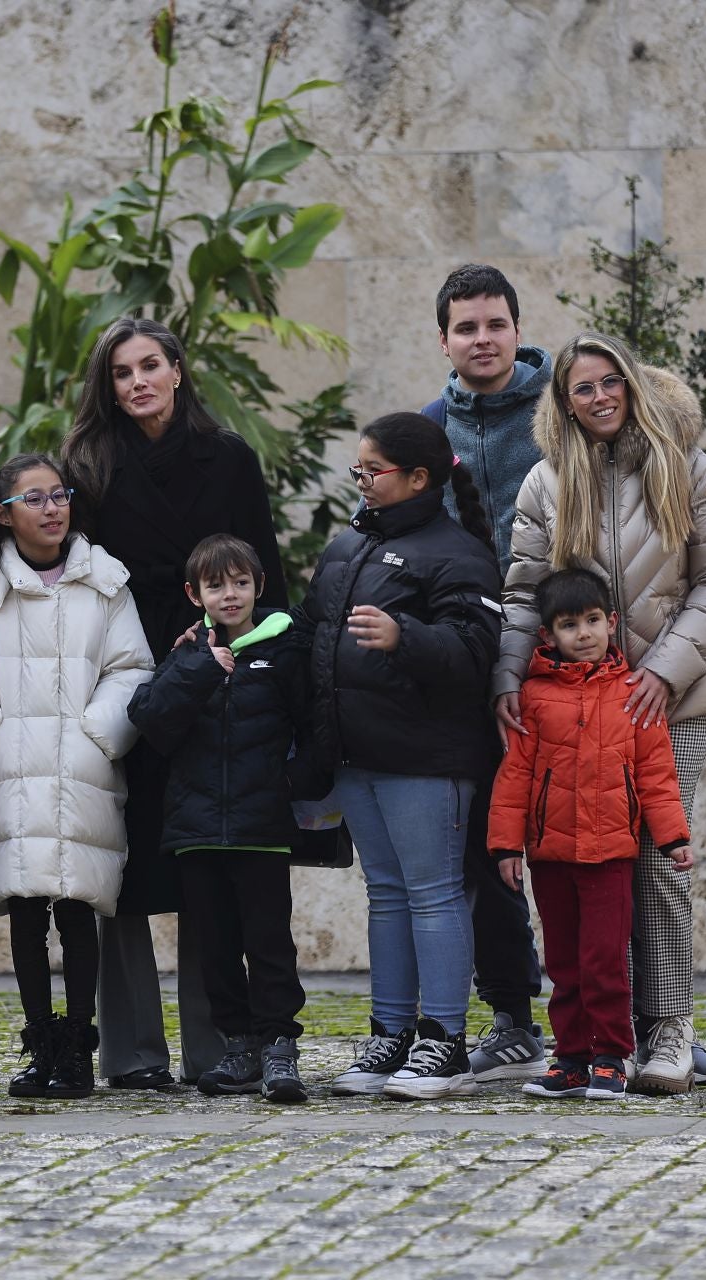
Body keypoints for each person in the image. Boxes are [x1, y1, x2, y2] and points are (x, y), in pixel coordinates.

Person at [496, 331, 706, 1095]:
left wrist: (665, 673)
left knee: (653, 864)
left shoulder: (687, 469)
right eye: (583, 388)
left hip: (668, 702)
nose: (599, 398)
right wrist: (509, 679)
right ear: (564, 401)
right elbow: (522, 591)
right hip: (572, 709)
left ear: (631, 385)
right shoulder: (545, 483)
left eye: (610, 382)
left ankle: (669, 1029)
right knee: (583, 870)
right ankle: (607, 1039)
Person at [62, 316, 285, 1090]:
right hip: (121, 673)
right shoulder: (86, 463)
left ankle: (217, 1045)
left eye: (149, 366)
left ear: (178, 370)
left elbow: (267, 577)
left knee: (207, 865)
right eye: (121, 373)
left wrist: (258, 670)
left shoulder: (227, 457)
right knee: (121, 860)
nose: (137, 383)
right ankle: (130, 1054)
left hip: (216, 678)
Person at [306, 412, 502, 1101]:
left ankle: (443, 1041)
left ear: (419, 478)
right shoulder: (345, 549)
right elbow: (313, 636)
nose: (360, 481)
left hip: (428, 760)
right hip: (357, 756)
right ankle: (390, 1036)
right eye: (356, 470)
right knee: (386, 896)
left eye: (372, 470)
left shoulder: (458, 554)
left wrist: (405, 637)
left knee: (434, 893)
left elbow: (477, 653)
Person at [0, 452, 153, 1099]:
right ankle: (39, 1042)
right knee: (24, 909)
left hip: (81, 768)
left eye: (59, 495)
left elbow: (132, 667)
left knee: (77, 906)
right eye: (34, 499)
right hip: (9, 769)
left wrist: (98, 733)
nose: (51, 509)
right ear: (4, 513)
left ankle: (76, 1050)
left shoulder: (105, 582)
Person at [487, 568, 692, 1102]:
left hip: (609, 856)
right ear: (548, 636)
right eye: (570, 624)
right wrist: (507, 846)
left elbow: (656, 776)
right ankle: (571, 1059)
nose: (584, 633)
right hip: (550, 856)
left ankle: (611, 1056)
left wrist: (673, 838)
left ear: (612, 622)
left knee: (604, 959)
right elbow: (514, 777)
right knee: (564, 963)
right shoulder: (533, 698)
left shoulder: (633, 695)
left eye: (594, 621)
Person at [126, 534, 318, 1104]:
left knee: (268, 943)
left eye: (240, 583)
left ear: (259, 586)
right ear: (195, 594)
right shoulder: (187, 655)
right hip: (198, 831)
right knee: (214, 945)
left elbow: (316, 723)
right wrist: (204, 668)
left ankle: (280, 1045)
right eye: (216, 585)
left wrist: (294, 784)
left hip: (262, 829)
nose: (229, 594)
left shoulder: (286, 648)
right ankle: (239, 1046)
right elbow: (150, 720)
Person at [421, 263, 551, 1084]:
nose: (482, 339)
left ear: (516, 329)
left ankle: (639, 1015)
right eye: (465, 328)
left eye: (494, 324)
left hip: (567, 658)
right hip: (470, 669)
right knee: (487, 844)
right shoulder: (427, 431)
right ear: (444, 340)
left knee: (599, 842)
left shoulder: (561, 415)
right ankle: (511, 1013)